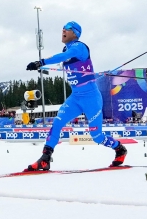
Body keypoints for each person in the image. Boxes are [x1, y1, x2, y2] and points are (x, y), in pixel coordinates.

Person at [25, 21, 127, 171]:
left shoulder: (79, 47)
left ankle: (119, 149)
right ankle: (45, 159)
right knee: (57, 123)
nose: (63, 31)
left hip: (91, 98)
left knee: (97, 136)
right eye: (62, 28)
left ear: (75, 33)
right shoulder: (66, 49)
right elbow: (65, 57)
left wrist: (41, 62)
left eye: (66, 29)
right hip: (76, 97)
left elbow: (65, 56)